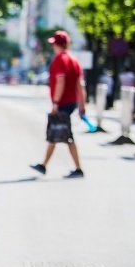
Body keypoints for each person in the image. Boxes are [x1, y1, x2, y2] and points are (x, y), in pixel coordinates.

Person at [30, 30, 86, 178]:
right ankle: (44, 165)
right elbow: (80, 85)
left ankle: (76, 169)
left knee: (60, 134)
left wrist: (55, 102)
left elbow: (60, 81)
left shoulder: (60, 59)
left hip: (62, 102)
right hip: (72, 102)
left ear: (56, 44)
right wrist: (82, 104)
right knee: (60, 134)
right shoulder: (74, 60)